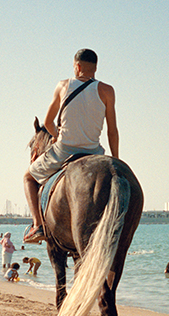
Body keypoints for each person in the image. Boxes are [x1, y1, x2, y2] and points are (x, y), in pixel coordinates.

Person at [23, 49, 119, 243]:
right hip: (94, 151)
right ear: (95, 68)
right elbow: (112, 131)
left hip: (65, 149)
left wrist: (59, 136)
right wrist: (116, 159)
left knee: (28, 177)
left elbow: (48, 122)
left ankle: (38, 226)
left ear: (77, 66)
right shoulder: (107, 90)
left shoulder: (63, 85)